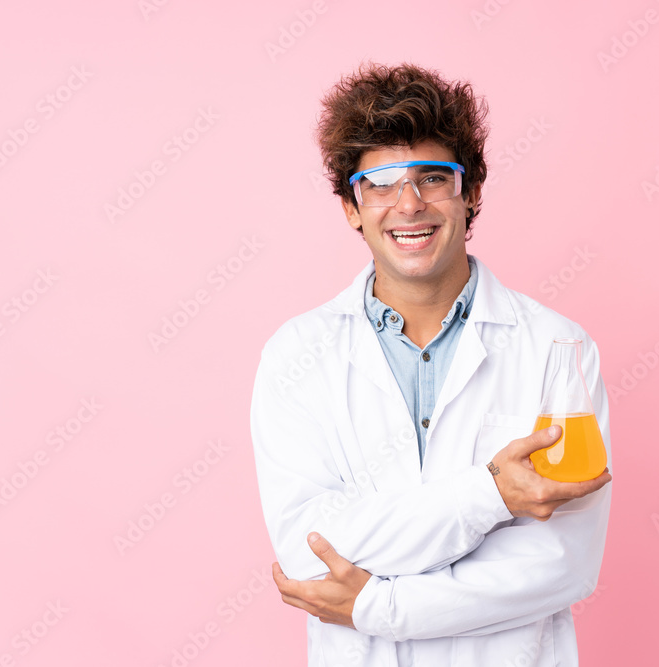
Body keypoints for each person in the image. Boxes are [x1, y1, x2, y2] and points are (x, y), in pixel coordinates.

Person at [250, 62, 613, 666]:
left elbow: (559, 566)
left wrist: (375, 607)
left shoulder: (557, 348)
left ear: (470, 193)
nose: (409, 205)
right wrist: (492, 495)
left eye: (432, 178)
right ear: (351, 206)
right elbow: (310, 550)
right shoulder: (296, 355)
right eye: (382, 184)